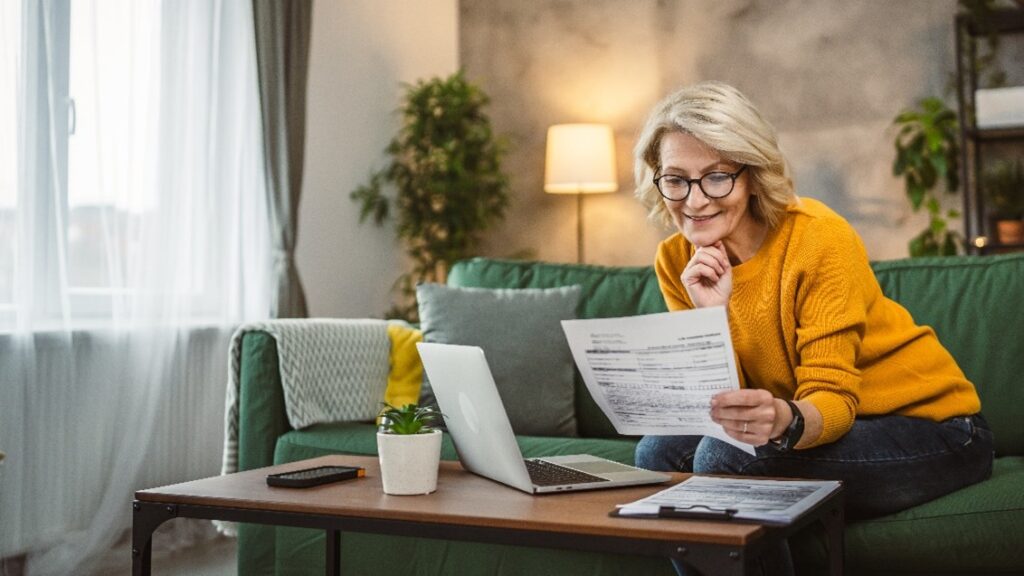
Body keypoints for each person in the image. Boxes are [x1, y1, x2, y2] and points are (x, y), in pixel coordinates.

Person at [632, 82, 994, 574]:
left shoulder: (817, 238)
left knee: (726, 459)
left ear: (753, 176)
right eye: (675, 179)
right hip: (816, 426)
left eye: (717, 177)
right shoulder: (676, 259)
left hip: (934, 430)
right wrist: (710, 316)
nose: (694, 201)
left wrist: (784, 421)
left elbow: (834, 401)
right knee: (656, 452)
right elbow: (721, 406)